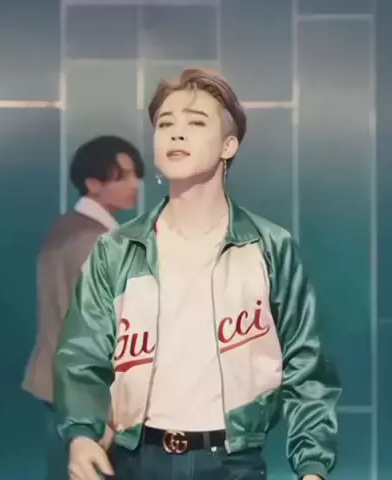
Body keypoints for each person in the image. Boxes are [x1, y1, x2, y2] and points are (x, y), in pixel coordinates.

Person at [54, 69, 341, 480]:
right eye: (165, 124)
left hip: (233, 464)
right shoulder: (117, 250)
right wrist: (82, 433)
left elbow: (306, 366)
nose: (176, 133)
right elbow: (83, 355)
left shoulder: (268, 247)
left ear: (229, 144)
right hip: (136, 461)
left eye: (196, 122)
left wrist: (312, 467)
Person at [22, 135, 145, 479]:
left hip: (56, 379)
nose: (135, 184)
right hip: (87, 386)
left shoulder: (64, 227)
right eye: (122, 176)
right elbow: (104, 325)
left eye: (136, 174)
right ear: (93, 183)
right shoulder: (97, 240)